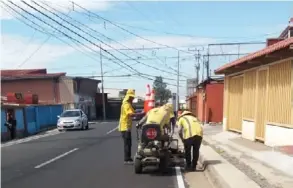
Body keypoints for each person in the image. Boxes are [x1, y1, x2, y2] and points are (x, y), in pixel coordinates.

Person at [119, 89, 136, 164]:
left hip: (127, 127)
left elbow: (133, 112)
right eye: (132, 97)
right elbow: (130, 114)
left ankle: (128, 157)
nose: (133, 98)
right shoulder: (126, 104)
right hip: (125, 127)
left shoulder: (128, 104)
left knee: (129, 143)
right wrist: (139, 114)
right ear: (129, 97)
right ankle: (126, 159)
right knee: (127, 143)